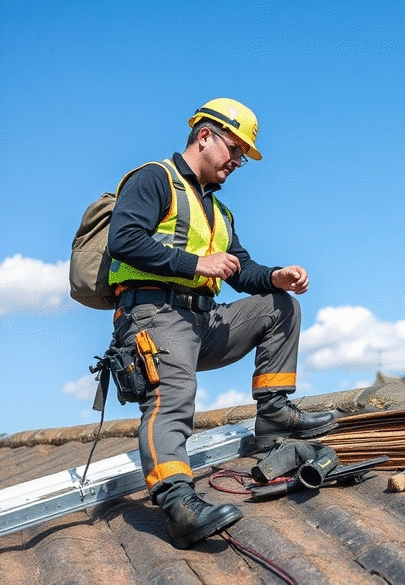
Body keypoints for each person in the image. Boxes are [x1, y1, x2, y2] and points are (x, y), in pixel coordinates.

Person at [107, 98, 335, 549]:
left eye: (243, 158)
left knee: (279, 305)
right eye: (234, 149)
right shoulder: (155, 179)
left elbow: (240, 268)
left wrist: (273, 277)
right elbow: (123, 240)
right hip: (155, 315)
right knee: (173, 399)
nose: (236, 161)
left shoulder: (219, 212)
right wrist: (196, 262)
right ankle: (177, 503)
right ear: (204, 135)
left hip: (203, 322)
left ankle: (274, 413)